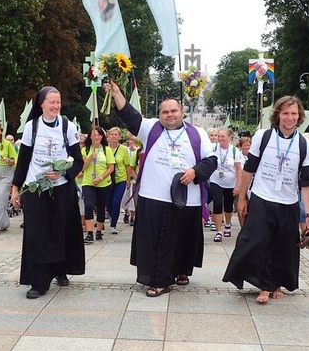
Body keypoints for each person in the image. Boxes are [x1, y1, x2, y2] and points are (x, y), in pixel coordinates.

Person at [105, 81, 217, 297]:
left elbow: (211, 161)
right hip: (153, 196)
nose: (169, 115)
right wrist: (117, 93)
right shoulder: (150, 128)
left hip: (186, 198)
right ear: (160, 114)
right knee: (157, 241)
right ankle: (159, 280)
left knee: (183, 240)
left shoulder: (198, 134)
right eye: (165, 112)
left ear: (182, 112)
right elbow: (129, 115)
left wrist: (194, 172)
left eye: (174, 110)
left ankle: (181, 271)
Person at [222, 96, 309, 304]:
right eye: (285, 113)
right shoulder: (263, 136)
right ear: (277, 115)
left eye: (293, 114)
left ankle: (276, 284)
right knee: (257, 241)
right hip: (262, 197)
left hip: (288, 201)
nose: (289, 118)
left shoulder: (305, 145)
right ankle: (263, 285)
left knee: (283, 246)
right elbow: (249, 169)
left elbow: (307, 182)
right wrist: (243, 197)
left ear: (299, 116)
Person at [10, 86, 85, 299]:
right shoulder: (31, 127)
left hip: (62, 189)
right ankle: (39, 281)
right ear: (41, 104)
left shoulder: (67, 127)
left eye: (58, 102)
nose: (55, 106)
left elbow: (78, 161)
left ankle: (61, 270)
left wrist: (64, 172)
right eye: (51, 102)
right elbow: (23, 161)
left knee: (61, 231)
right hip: (36, 189)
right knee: (37, 234)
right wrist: (16, 188)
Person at [207, 128, 243, 242]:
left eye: (223, 136)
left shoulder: (234, 151)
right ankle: (218, 231)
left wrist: (238, 185)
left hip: (230, 182)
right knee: (217, 204)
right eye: (219, 136)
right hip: (215, 180)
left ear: (229, 138)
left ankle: (227, 224)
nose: (220, 139)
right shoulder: (213, 148)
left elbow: (238, 169)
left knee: (228, 207)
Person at [80, 126, 115, 243]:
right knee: (89, 205)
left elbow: (111, 167)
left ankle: (99, 231)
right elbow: (82, 167)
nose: (96, 137)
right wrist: (89, 158)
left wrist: (100, 178)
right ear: (90, 136)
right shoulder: (85, 150)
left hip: (103, 182)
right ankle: (89, 233)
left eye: (99, 135)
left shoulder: (106, 149)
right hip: (88, 182)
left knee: (100, 207)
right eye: (94, 135)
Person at [106, 127, 129, 235]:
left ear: (119, 137)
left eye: (116, 135)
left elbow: (127, 166)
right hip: (108, 180)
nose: (114, 136)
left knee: (116, 202)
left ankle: (113, 225)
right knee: (108, 203)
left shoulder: (123, 149)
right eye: (112, 134)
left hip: (120, 179)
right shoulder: (105, 148)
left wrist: (128, 179)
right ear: (108, 136)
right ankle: (112, 216)